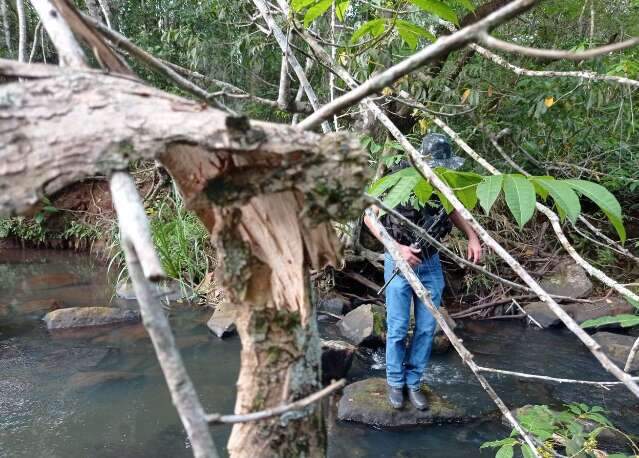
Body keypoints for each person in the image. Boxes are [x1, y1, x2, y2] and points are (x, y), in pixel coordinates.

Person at [363, 133, 482, 411]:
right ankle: (395, 382)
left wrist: (473, 237)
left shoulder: (443, 182)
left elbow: (452, 210)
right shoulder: (398, 177)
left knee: (427, 329)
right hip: (400, 261)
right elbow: (369, 216)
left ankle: (414, 384)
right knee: (398, 328)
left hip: (431, 264)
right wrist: (397, 249)